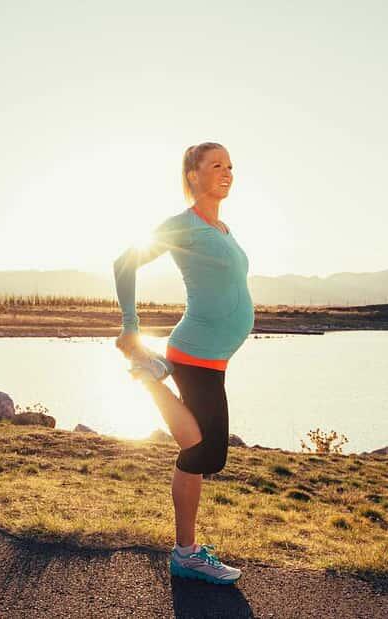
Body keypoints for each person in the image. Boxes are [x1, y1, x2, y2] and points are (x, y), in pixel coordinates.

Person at [112, 142, 255, 585]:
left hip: (213, 356)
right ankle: (186, 554)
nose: (227, 172)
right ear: (193, 175)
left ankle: (186, 552)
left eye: (230, 166)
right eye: (216, 165)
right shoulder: (184, 225)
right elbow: (124, 262)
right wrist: (131, 325)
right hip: (195, 350)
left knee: (201, 451)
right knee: (204, 452)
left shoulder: (224, 229)